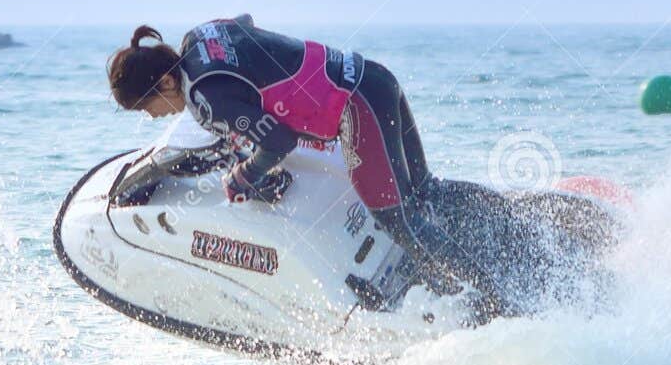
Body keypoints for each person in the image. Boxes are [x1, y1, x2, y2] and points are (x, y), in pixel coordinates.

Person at [107, 16, 505, 313]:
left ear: (165, 84)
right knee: (424, 192)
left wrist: (246, 173)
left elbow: (280, 139)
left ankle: (493, 305)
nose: (153, 118)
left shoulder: (209, 102)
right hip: (375, 78)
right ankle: (508, 223)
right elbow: (247, 28)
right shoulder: (201, 35)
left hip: (356, 111)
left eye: (148, 107)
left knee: (398, 220)